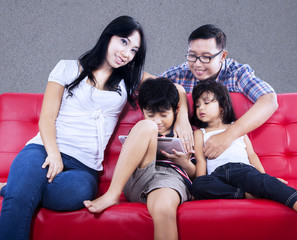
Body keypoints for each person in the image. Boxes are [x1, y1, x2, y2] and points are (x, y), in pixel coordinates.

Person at [0, 15, 147, 240]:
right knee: (18, 199)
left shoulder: (130, 80)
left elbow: (172, 88)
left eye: (134, 50)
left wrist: (184, 119)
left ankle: (13, 186)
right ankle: (18, 188)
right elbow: (47, 119)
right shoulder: (67, 68)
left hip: (84, 166)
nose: (127, 53)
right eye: (124, 42)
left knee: (67, 194)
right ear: (109, 36)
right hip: (43, 150)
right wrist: (54, 155)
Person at [84, 78, 196, 240]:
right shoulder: (145, 127)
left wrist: (184, 163)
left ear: (176, 109)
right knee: (147, 126)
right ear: (142, 110)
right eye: (150, 114)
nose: (158, 121)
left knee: (163, 208)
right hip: (139, 175)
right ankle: (112, 194)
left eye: (164, 115)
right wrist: (146, 129)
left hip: (170, 179)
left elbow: (197, 175)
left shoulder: (187, 133)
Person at [160, 24, 278, 160]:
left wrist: (228, 136)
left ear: (222, 56)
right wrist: (182, 116)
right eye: (192, 55)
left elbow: (269, 100)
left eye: (206, 57)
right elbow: (148, 85)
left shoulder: (237, 73)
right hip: (190, 159)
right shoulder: (182, 72)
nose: (197, 64)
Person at [190, 81, 297, 211]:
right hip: (217, 175)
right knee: (198, 185)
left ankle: (293, 201)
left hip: (242, 170)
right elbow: (200, 160)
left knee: (263, 182)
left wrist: (265, 177)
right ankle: (246, 195)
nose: (200, 108)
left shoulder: (236, 127)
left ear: (222, 106)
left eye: (206, 103)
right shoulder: (200, 133)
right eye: (197, 105)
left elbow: (251, 154)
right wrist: (200, 183)